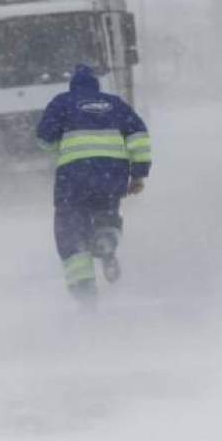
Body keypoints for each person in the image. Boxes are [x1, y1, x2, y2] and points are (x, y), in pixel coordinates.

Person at [36, 64, 152, 302]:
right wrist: (138, 174)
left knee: (70, 229)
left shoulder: (62, 102)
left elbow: (44, 138)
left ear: (73, 85)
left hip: (73, 178)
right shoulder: (115, 103)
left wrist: (59, 147)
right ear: (96, 85)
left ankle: (84, 290)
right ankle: (106, 241)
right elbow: (138, 135)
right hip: (111, 176)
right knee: (105, 212)